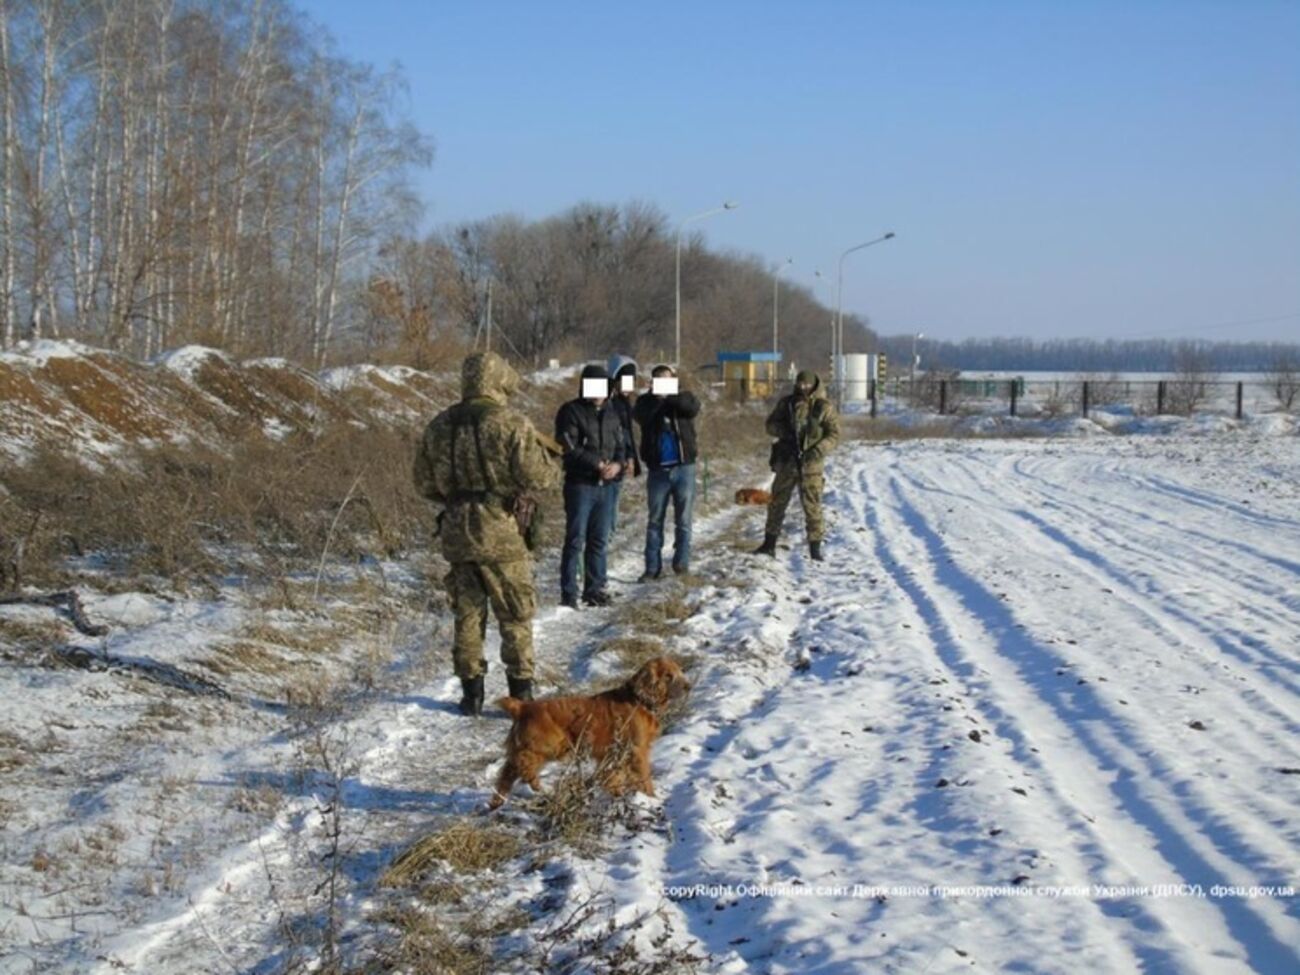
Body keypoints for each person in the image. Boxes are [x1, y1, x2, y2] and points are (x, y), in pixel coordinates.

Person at [413, 351, 557, 717]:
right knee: (515, 614)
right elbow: (539, 477)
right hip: (501, 531)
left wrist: (458, 497)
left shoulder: (438, 425)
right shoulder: (510, 422)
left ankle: (471, 694)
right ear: (498, 380)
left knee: (467, 614)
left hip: (457, 531)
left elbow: (423, 483)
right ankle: (521, 694)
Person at [556, 363, 628, 608]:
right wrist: (597, 463)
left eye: (603, 387)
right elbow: (568, 446)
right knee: (575, 539)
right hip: (580, 484)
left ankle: (595, 589)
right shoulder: (570, 411)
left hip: (607, 487)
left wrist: (617, 466)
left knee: (599, 539)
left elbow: (622, 447)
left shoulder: (613, 413)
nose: (598, 392)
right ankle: (568, 593)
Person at [755, 369, 840, 561]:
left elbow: (834, 434)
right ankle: (769, 544)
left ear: (814, 386)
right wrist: (785, 430)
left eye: (807, 384)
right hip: (787, 462)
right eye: (800, 384)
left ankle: (815, 549)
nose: (803, 388)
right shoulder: (787, 404)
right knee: (776, 503)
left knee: (813, 507)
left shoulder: (823, 407)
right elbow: (770, 425)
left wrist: (818, 450)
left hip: (811, 466)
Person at [634, 364, 700, 579]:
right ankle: (652, 568)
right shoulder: (646, 402)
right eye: (659, 379)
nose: (663, 382)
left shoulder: (683, 397)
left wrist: (670, 395)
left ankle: (681, 564)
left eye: (667, 378)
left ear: (674, 380)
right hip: (658, 471)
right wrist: (656, 397)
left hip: (684, 468)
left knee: (684, 520)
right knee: (655, 520)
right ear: (652, 382)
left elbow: (691, 408)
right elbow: (641, 416)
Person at [605, 354, 642, 535]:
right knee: (607, 515)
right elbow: (620, 434)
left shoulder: (624, 403)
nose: (629, 386)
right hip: (608, 462)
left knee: (612, 511)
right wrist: (626, 457)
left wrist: (630, 457)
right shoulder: (609, 402)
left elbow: (627, 434)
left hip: (619, 463)